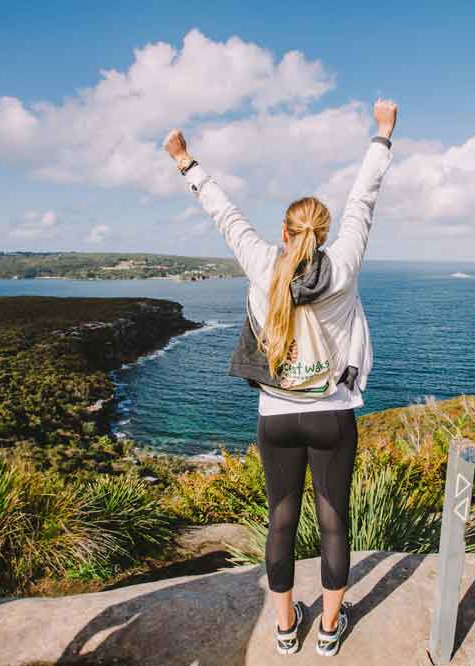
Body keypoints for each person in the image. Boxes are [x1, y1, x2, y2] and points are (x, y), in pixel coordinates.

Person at [163, 97, 397, 657]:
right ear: (324, 230)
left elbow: (225, 213)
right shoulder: (343, 265)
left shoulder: (264, 265)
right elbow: (364, 197)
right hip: (332, 413)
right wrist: (382, 134)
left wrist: (184, 161)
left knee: (281, 521)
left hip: (277, 417)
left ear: (286, 231)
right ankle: (329, 630)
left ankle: (286, 627)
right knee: (334, 521)